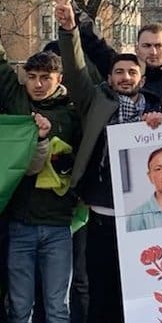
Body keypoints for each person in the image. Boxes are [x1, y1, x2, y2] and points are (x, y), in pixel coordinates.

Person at [48, 0, 161, 323]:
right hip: (100, 216)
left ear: (141, 79)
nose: (125, 77)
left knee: (142, 292)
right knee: (101, 290)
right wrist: (69, 28)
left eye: (132, 73)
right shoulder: (94, 101)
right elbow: (76, 65)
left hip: (147, 219)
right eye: (119, 73)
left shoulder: (158, 109)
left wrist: (161, 126)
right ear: (109, 77)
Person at [0, 46, 80, 323]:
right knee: (20, 307)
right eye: (31, 76)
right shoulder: (18, 103)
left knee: (58, 307)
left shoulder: (73, 114)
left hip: (58, 225)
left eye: (45, 77)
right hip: (20, 223)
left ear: (59, 78)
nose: (37, 83)